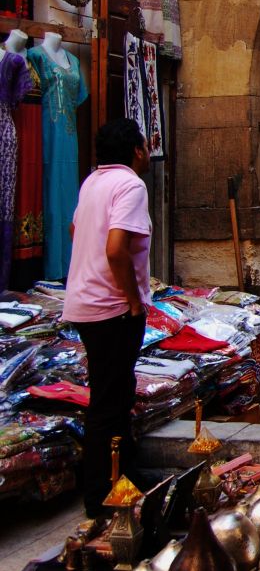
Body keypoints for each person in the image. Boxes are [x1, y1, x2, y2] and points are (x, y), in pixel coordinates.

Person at [63, 119, 151, 517]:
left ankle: (122, 476)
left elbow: (75, 229)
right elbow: (116, 249)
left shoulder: (93, 182)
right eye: (145, 147)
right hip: (111, 308)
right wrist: (132, 300)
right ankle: (100, 494)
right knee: (109, 401)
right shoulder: (130, 185)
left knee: (115, 392)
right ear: (136, 151)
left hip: (86, 303)